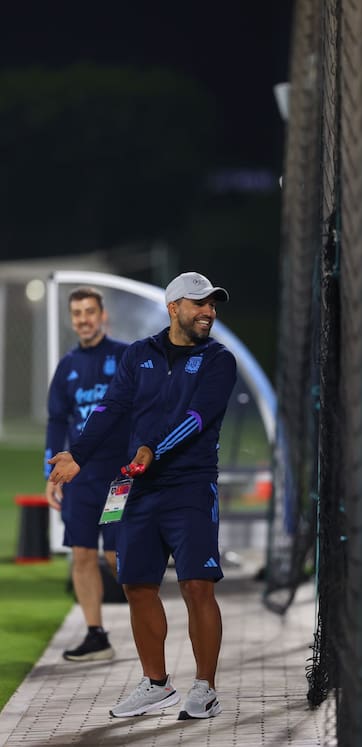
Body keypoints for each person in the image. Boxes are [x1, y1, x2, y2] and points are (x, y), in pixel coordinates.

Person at [48, 271, 237, 720]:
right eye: (199, 304)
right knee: (136, 584)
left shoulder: (218, 360)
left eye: (212, 304)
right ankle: (157, 684)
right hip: (138, 488)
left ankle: (205, 688)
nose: (208, 311)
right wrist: (78, 453)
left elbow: (197, 418)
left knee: (196, 585)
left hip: (191, 485)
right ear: (174, 308)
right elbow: (112, 407)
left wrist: (154, 450)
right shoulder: (139, 355)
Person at [45, 286, 130, 662]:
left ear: (103, 315)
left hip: (118, 479)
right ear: (71, 319)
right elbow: (56, 421)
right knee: (81, 554)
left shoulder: (125, 357)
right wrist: (50, 473)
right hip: (79, 481)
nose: (83, 319)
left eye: (89, 311)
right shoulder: (67, 367)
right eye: (77, 313)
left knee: (116, 553)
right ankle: (97, 636)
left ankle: (151, 620)